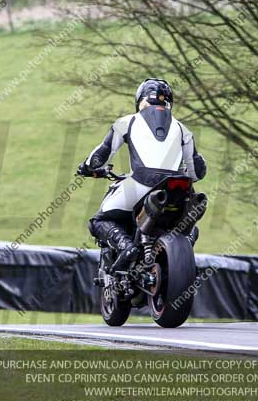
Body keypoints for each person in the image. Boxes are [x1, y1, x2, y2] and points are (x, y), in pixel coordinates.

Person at [77, 78, 207, 271]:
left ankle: (126, 246)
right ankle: (183, 249)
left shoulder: (127, 121)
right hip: (178, 189)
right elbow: (198, 172)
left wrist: (87, 167)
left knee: (99, 221)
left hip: (140, 184)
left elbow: (100, 156)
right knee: (190, 227)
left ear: (140, 100)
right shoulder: (182, 129)